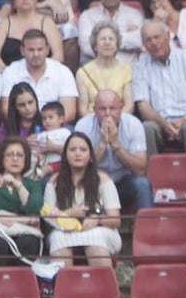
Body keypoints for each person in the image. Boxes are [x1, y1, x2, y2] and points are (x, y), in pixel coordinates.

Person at [42, 131, 122, 267]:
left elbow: (115, 220)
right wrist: (67, 214)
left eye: (83, 150)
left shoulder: (103, 179)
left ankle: (103, 287)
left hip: (100, 230)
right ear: (65, 155)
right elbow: (47, 217)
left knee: (95, 239)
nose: (77, 153)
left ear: (90, 155)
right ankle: (65, 287)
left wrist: (97, 220)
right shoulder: (54, 181)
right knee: (58, 238)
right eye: (72, 150)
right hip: (64, 230)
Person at [133, 19, 186, 156]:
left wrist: (184, 119)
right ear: (144, 45)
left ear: (167, 36)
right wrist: (164, 123)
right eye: (148, 40)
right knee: (147, 128)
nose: (154, 43)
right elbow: (143, 106)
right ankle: (148, 177)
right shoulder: (140, 65)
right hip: (159, 122)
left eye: (157, 37)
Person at [74, 88, 152, 211]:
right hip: (96, 184)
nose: (108, 114)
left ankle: (147, 229)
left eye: (112, 108)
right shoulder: (83, 126)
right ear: (94, 110)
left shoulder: (134, 125)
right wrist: (102, 144)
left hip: (124, 182)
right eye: (102, 109)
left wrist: (117, 146)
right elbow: (77, 168)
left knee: (142, 184)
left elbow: (140, 169)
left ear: (121, 108)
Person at [0, 135, 44, 265]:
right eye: (10, 155)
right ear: (2, 158)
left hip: (25, 234)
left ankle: (22, 285)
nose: (15, 159)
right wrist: (24, 220)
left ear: (26, 159)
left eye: (20, 155)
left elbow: (34, 209)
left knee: (27, 242)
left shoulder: (32, 185)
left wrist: (19, 186)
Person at [0, 28, 78, 123]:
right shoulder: (10, 71)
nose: (36, 54)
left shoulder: (62, 71)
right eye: (31, 50)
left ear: (47, 50)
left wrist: (44, 124)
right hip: (21, 127)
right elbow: (6, 108)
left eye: (40, 49)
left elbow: (69, 112)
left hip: (54, 128)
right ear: (22, 50)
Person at [0, 0, 64, 71]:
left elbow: (58, 55)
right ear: (14, 0)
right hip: (11, 78)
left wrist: (44, 73)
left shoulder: (47, 23)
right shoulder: (5, 24)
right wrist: (6, 71)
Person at [78, 0, 143, 65]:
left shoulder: (134, 14)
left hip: (129, 71)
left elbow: (139, 41)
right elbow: (86, 46)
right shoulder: (87, 16)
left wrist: (101, 40)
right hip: (97, 71)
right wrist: (125, 36)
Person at [76, 21, 134, 114]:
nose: (107, 42)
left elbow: (129, 104)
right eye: (102, 39)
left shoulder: (126, 69)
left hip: (121, 120)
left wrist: (116, 122)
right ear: (95, 45)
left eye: (111, 39)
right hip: (92, 121)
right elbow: (83, 108)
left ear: (117, 45)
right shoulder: (83, 72)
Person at [0, 80, 41, 150]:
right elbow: (1, 153)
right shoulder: (6, 126)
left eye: (30, 102)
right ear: (15, 107)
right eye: (22, 105)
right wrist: (24, 144)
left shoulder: (46, 120)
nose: (27, 108)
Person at [30, 100, 69, 176]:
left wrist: (54, 147)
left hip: (60, 162)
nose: (47, 121)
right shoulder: (41, 134)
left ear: (61, 119)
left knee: (44, 170)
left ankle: (37, 177)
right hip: (43, 162)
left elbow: (70, 147)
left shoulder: (65, 132)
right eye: (44, 118)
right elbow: (35, 147)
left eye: (50, 117)